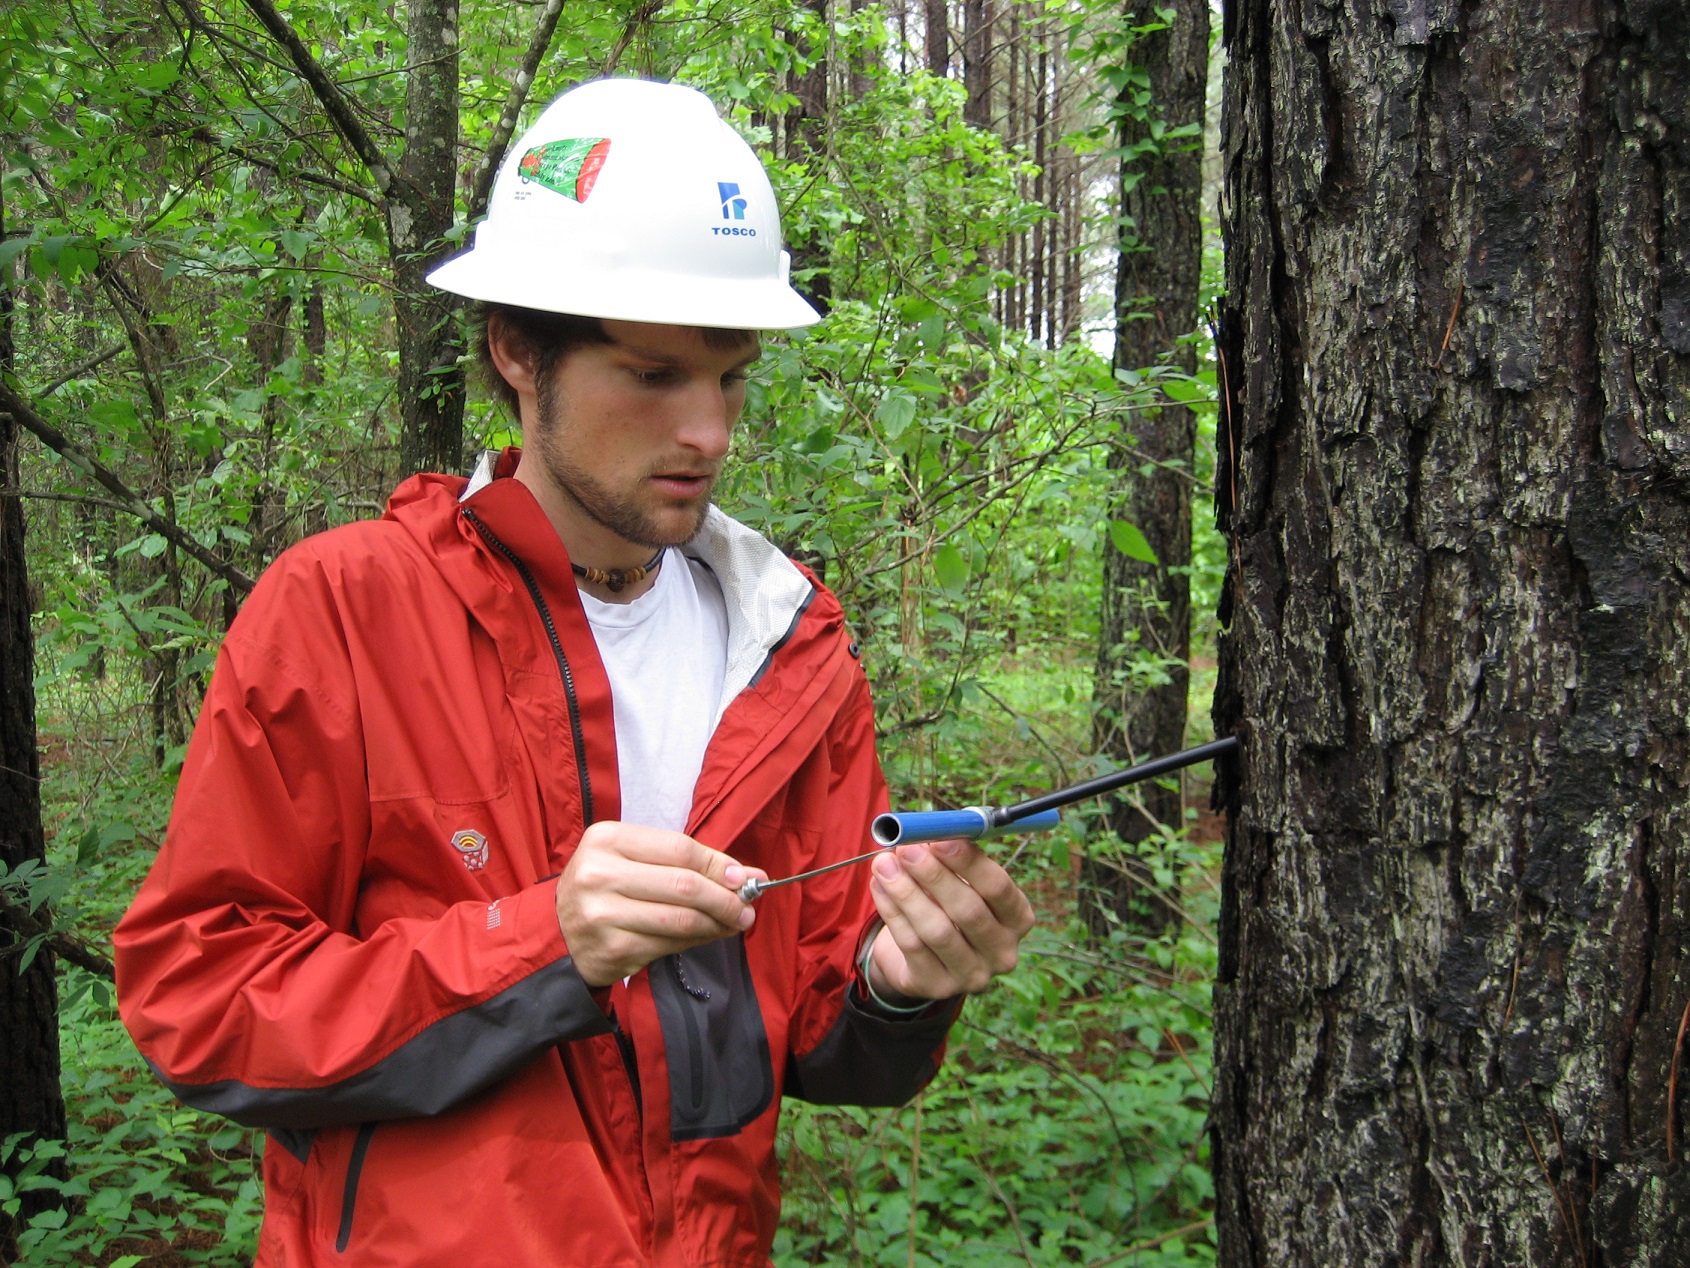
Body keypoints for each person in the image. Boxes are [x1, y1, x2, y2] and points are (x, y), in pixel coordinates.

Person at [113, 78, 1035, 1266]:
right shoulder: (345, 611)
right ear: (517, 351)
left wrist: (898, 984)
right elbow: (198, 1002)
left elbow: (814, 1041)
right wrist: (541, 939)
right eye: (654, 375)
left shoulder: (787, 645)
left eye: (733, 374)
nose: (710, 428)